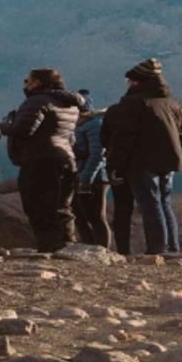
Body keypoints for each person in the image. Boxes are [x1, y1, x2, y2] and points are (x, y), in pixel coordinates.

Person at [101, 58, 182, 255]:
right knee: (165, 203)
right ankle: (172, 248)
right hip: (169, 162)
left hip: (141, 162)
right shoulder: (173, 104)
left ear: (136, 82)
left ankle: (158, 249)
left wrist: (115, 166)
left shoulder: (130, 106)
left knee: (150, 204)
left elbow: (121, 140)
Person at [3, 68, 82, 253]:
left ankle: (49, 246)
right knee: (62, 206)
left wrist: (0, 127)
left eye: (27, 81)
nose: (25, 84)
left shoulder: (37, 101)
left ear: (37, 83)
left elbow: (24, 129)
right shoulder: (70, 105)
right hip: (65, 158)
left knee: (38, 205)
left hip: (40, 159)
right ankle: (67, 245)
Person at [72, 91, 111, 249]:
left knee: (96, 217)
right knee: (79, 216)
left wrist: (86, 179)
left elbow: (97, 155)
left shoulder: (94, 124)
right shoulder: (79, 125)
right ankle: (87, 248)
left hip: (95, 178)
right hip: (79, 175)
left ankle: (101, 250)